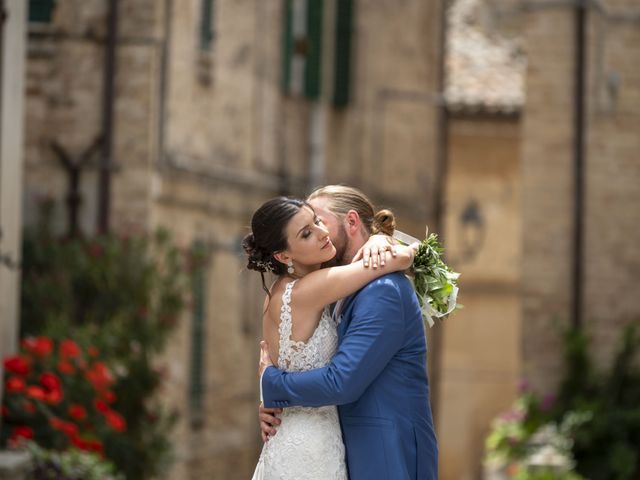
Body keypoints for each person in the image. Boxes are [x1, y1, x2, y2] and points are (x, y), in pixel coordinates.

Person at [258, 185, 438, 480]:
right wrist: (272, 403)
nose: (320, 233)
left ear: (352, 222)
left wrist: (274, 387)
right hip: (337, 450)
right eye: (307, 230)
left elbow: (342, 381)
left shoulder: (383, 290)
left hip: (386, 456)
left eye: (318, 221)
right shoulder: (332, 288)